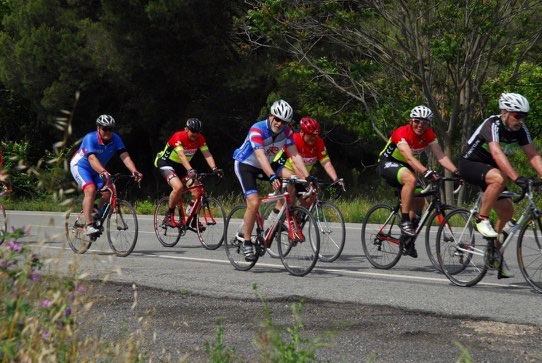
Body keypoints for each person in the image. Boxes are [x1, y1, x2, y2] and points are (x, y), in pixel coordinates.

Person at [459, 92, 541, 279]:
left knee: (507, 211)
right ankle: (481, 219)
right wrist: (517, 177)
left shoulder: (521, 130)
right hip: (470, 163)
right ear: (504, 113)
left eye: (524, 116)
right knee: (499, 178)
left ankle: (495, 252)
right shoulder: (492, 124)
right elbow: (496, 153)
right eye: (517, 116)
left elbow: (533, 155)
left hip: (491, 168)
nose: (521, 120)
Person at [233, 99, 314, 261]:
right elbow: (260, 156)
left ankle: (277, 218)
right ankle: (247, 241)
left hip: (268, 164)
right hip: (246, 164)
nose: (279, 123)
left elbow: (295, 155)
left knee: (294, 178)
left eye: (283, 121)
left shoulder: (287, 132)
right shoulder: (257, 129)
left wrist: (307, 177)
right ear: (270, 116)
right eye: (277, 119)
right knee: (254, 202)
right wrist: (271, 176)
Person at [379, 105, 459, 257]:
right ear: (411, 121)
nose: (420, 125)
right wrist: (427, 172)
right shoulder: (402, 132)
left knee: (420, 201)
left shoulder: (429, 134)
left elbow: (440, 156)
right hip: (388, 162)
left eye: (425, 122)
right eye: (417, 121)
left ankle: (407, 240)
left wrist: (456, 171)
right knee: (410, 179)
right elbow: (408, 157)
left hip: (407, 165)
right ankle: (404, 221)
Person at [70, 115, 143, 235]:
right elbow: (92, 158)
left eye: (111, 129)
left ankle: (95, 214)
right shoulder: (90, 138)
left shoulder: (116, 139)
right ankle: (88, 225)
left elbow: (125, 157)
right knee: (91, 189)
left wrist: (134, 170)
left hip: (97, 169)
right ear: (98, 128)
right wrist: (103, 171)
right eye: (105, 129)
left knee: (108, 192)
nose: (108, 132)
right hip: (81, 166)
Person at [155, 118, 223, 228]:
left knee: (198, 189)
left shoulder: (200, 138)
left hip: (182, 166)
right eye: (193, 131)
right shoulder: (178, 136)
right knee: (178, 187)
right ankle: (168, 215)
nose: (195, 134)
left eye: (197, 132)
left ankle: (193, 217)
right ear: (186, 129)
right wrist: (190, 170)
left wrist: (214, 168)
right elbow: (181, 155)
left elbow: (207, 154)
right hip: (166, 163)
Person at [272, 116, 344, 211]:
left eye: (315, 135)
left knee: (313, 194)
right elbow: (294, 164)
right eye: (310, 135)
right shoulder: (294, 140)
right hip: (282, 168)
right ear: (302, 132)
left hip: (301, 174)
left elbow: (326, 163)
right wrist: (307, 181)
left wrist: (336, 179)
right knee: (291, 193)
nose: (313, 138)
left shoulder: (319, 142)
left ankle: (297, 218)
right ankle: (273, 222)